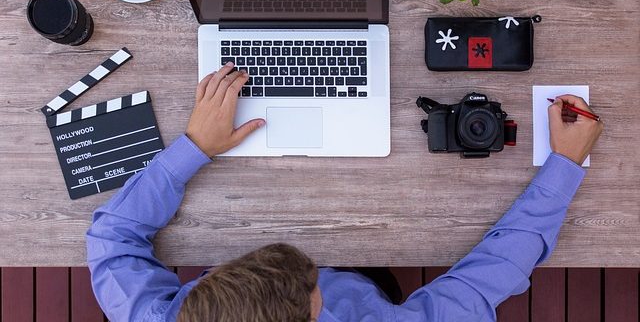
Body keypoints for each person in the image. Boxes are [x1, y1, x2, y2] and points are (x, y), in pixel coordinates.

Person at [87, 63, 603, 322]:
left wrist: (195, 145)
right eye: (316, 289)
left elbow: (111, 237)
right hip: (376, 284)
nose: (319, 272)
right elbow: (489, 277)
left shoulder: (160, 317)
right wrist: (564, 164)